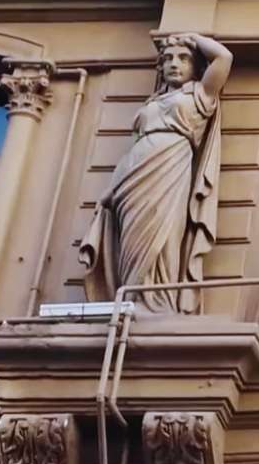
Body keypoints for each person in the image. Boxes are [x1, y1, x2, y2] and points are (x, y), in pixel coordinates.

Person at [90, 31, 232, 312]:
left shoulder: (201, 94)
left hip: (169, 169)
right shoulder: (152, 102)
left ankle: (157, 302)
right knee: (131, 238)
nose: (173, 64)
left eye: (182, 59)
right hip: (133, 176)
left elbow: (224, 57)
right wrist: (112, 188)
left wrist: (192, 37)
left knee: (163, 234)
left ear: (196, 66)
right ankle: (132, 299)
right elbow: (135, 146)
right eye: (167, 59)